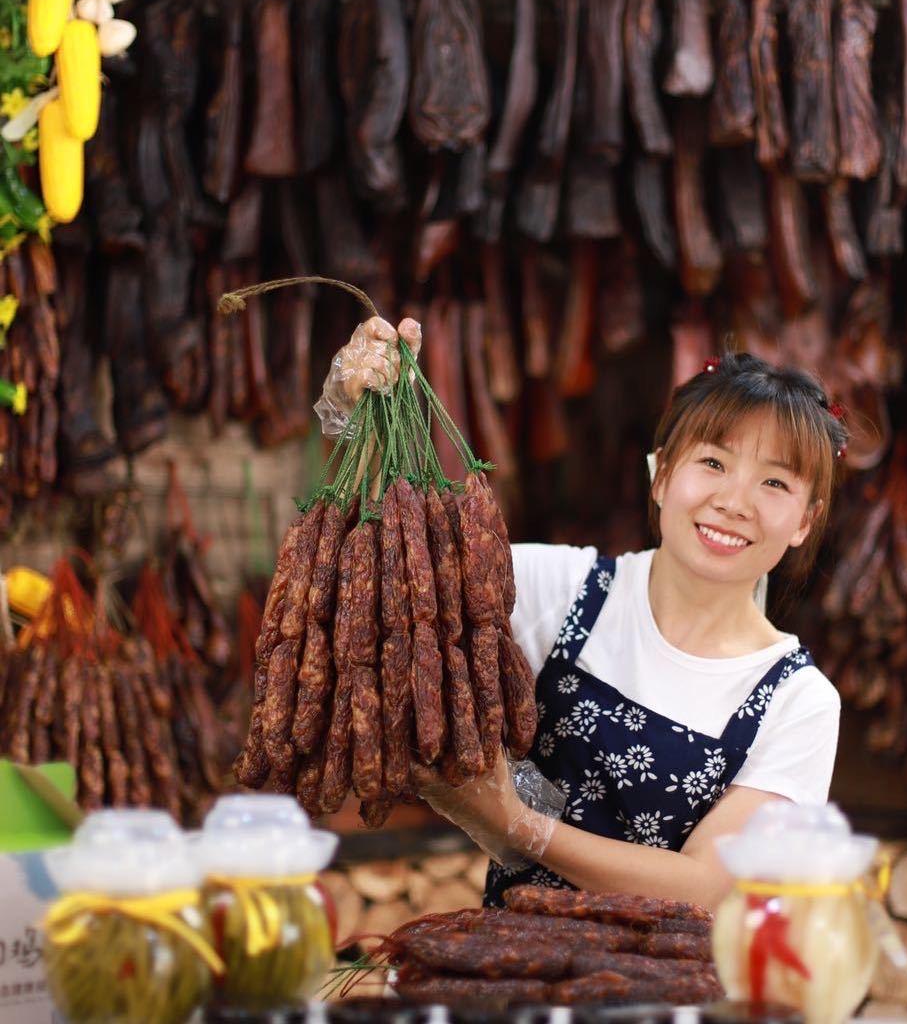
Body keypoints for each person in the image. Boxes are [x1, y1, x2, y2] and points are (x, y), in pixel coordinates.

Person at [321, 316, 847, 912]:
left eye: (775, 483)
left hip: (673, 999)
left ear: (806, 520)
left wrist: (521, 826)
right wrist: (360, 422)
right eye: (714, 464)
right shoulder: (562, 588)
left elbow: (710, 889)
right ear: (663, 472)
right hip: (510, 977)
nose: (733, 502)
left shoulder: (798, 700)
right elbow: (382, 591)